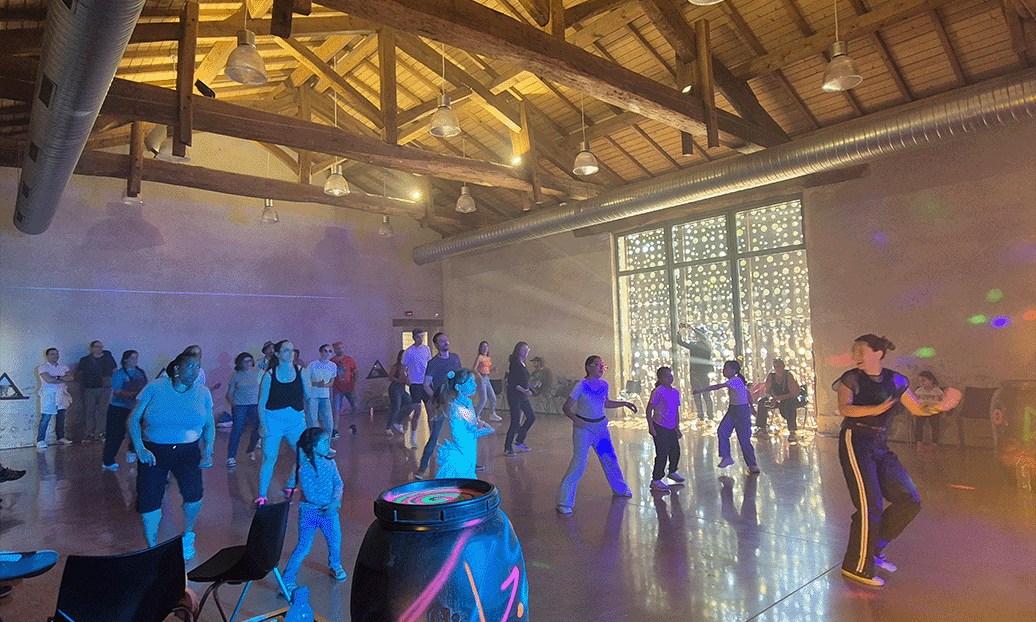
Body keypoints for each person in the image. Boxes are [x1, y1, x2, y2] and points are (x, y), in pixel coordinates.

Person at [833, 334, 936, 587]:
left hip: (880, 444)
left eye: (861, 351)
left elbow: (918, 408)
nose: (855, 356)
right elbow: (845, 408)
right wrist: (875, 409)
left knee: (909, 500)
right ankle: (856, 567)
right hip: (855, 440)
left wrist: (942, 405)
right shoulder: (851, 378)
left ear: (878, 353)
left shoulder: (896, 380)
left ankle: (874, 548)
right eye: (853, 351)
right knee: (870, 505)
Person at [127, 351, 215, 560]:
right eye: (190, 366)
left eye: (198, 367)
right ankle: (152, 548)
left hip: (188, 451)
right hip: (155, 451)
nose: (194, 371)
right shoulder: (155, 387)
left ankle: (188, 534)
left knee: (194, 495)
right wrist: (140, 448)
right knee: (149, 501)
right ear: (176, 368)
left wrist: (208, 450)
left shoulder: (203, 392)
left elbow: (209, 423)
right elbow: (133, 419)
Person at [556, 355, 637, 514]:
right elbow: (566, 407)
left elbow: (605, 403)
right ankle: (564, 501)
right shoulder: (581, 385)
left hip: (601, 427)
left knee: (610, 458)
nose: (601, 368)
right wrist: (576, 419)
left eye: (603, 365)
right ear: (589, 367)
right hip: (584, 428)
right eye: (598, 364)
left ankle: (620, 489)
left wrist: (624, 403)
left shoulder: (604, 385)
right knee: (579, 464)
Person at [282, 427, 347, 592]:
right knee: (304, 546)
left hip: (329, 511)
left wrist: (335, 501)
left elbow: (338, 483)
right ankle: (287, 579)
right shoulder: (304, 469)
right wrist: (328, 505)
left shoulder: (331, 463)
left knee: (335, 539)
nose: (328, 445)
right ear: (313, 446)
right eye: (324, 442)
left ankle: (335, 564)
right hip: (310, 512)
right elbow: (310, 494)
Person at [257, 340, 311, 505]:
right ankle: (262, 495)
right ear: (278, 354)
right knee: (269, 457)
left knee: (304, 454)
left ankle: (290, 485)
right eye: (286, 350)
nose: (291, 353)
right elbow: (261, 402)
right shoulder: (270, 375)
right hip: (273, 421)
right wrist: (263, 424)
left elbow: (309, 397)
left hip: (295, 421)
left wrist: (312, 423)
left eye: (292, 350)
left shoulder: (301, 371)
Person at [695, 360, 760, 474]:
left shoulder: (736, 380)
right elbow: (747, 394)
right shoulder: (736, 381)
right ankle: (727, 457)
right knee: (722, 431)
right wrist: (752, 407)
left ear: (734, 371)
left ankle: (752, 464)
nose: (723, 370)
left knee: (744, 440)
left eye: (726, 368)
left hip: (741, 411)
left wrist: (701, 390)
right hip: (733, 410)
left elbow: (718, 386)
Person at [414, 332, 462, 479]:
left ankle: (468, 462)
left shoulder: (455, 358)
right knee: (435, 435)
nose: (446, 342)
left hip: (456, 402)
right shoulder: (433, 363)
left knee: (462, 434)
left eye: (446, 339)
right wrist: (438, 398)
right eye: (442, 341)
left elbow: (460, 378)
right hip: (443, 404)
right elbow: (426, 384)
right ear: (436, 345)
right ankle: (422, 467)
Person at [433, 369, 494, 479]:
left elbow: (470, 422)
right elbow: (461, 438)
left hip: (468, 453)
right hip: (457, 458)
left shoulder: (467, 402)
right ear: (458, 387)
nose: (475, 385)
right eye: (470, 382)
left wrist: (479, 423)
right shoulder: (454, 408)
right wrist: (481, 432)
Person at [102, 350, 148, 469]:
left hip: (135, 408)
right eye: (132, 358)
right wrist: (134, 395)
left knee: (137, 432)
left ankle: (132, 451)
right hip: (119, 408)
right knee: (115, 435)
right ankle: (108, 461)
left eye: (136, 358)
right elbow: (117, 391)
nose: (135, 360)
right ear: (125, 360)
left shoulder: (140, 373)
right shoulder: (119, 374)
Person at [646, 366, 684, 493]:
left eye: (670, 375)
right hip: (660, 426)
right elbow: (649, 409)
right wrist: (651, 426)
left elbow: (676, 411)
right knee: (662, 453)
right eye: (666, 376)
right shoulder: (658, 391)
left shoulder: (675, 392)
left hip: (671, 427)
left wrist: (677, 427)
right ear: (660, 379)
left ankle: (672, 471)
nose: (670, 378)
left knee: (675, 451)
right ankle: (656, 480)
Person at [225, 352, 262, 467]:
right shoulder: (235, 375)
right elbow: (229, 393)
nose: (248, 363)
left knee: (257, 428)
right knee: (237, 430)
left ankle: (251, 449)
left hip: (255, 404)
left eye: (249, 360)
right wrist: (233, 403)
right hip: (240, 405)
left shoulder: (259, 373)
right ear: (240, 363)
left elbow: (265, 388)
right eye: (245, 361)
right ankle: (231, 456)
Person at [76, 340, 117, 442]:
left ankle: (102, 432)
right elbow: (80, 373)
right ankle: (89, 433)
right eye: (97, 347)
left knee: (103, 411)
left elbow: (115, 370)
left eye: (100, 347)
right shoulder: (85, 360)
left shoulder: (108, 358)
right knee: (89, 411)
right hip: (89, 387)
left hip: (105, 388)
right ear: (92, 348)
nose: (99, 349)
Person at [676, 326, 714, 425]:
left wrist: (693, 329)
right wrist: (679, 331)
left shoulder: (707, 344)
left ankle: (710, 417)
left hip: (704, 374)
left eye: (698, 334)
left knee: (706, 395)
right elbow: (680, 342)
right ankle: (700, 417)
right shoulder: (693, 345)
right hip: (694, 373)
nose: (696, 336)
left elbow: (703, 338)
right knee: (697, 396)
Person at [36, 348, 73, 449]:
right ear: (47, 356)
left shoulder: (63, 367)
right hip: (48, 394)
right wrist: (61, 378)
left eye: (57, 354)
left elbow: (70, 378)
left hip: (61, 393)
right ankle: (40, 440)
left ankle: (60, 437)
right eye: (52, 354)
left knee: (61, 417)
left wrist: (55, 378)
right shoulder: (43, 367)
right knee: (46, 417)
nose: (55, 356)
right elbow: (48, 379)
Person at [755, 359, 802, 441]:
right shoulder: (771, 376)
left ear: (783, 366)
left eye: (779, 366)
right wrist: (771, 398)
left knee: (790, 404)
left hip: (788, 398)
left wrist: (777, 398)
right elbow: (767, 391)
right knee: (762, 401)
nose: (777, 369)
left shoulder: (789, 375)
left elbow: (793, 393)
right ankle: (762, 428)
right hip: (775, 398)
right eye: (775, 367)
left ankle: (792, 431)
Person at [504, 342, 536, 457]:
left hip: (522, 396)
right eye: (524, 349)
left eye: (528, 349)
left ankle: (519, 441)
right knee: (515, 421)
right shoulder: (515, 363)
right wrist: (525, 391)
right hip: (514, 396)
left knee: (531, 417)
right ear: (518, 350)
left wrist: (531, 386)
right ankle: (507, 448)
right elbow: (512, 382)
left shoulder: (523, 364)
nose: (526, 351)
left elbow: (523, 380)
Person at [402, 329, 432, 447]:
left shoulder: (426, 349)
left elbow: (429, 364)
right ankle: (413, 435)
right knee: (417, 411)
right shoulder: (409, 352)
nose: (421, 339)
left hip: (425, 383)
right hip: (415, 383)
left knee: (430, 410)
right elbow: (402, 368)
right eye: (419, 337)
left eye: (422, 336)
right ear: (414, 338)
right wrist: (406, 378)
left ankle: (432, 436)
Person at [331, 342, 358, 437]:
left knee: (355, 406)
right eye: (338, 348)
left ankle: (352, 424)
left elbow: (355, 372)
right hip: (337, 389)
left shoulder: (349, 360)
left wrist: (354, 384)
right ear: (335, 349)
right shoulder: (331, 362)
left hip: (349, 388)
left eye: (342, 348)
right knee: (336, 409)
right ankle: (335, 429)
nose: (340, 350)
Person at [307, 345, 337, 433]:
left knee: (328, 420)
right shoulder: (312, 365)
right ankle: (311, 438)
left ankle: (328, 438)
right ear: (320, 352)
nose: (328, 353)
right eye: (325, 351)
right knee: (312, 420)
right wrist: (317, 383)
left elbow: (332, 382)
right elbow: (306, 380)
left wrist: (324, 385)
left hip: (325, 396)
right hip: (313, 396)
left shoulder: (333, 366)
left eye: (330, 351)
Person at [913, 371, 945, 451]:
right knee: (918, 426)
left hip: (933, 411)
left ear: (931, 380)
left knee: (935, 427)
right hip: (922, 411)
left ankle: (934, 443)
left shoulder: (937, 391)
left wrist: (943, 412)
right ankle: (919, 442)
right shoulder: (919, 390)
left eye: (923, 380)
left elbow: (943, 401)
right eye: (920, 381)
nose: (921, 383)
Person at [472, 341, 501, 423]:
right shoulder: (480, 357)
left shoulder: (488, 358)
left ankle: (492, 413)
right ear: (480, 348)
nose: (485, 349)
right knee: (483, 399)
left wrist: (492, 370)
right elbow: (474, 368)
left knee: (493, 397)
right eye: (483, 347)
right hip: (481, 378)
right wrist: (479, 376)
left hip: (487, 378)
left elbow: (486, 369)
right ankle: (476, 416)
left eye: (486, 347)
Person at [386, 350, 411, 435]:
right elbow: (390, 377)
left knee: (411, 403)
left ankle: (399, 421)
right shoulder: (396, 366)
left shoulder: (407, 367)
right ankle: (388, 427)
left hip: (402, 389)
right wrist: (398, 380)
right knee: (395, 408)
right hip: (395, 388)